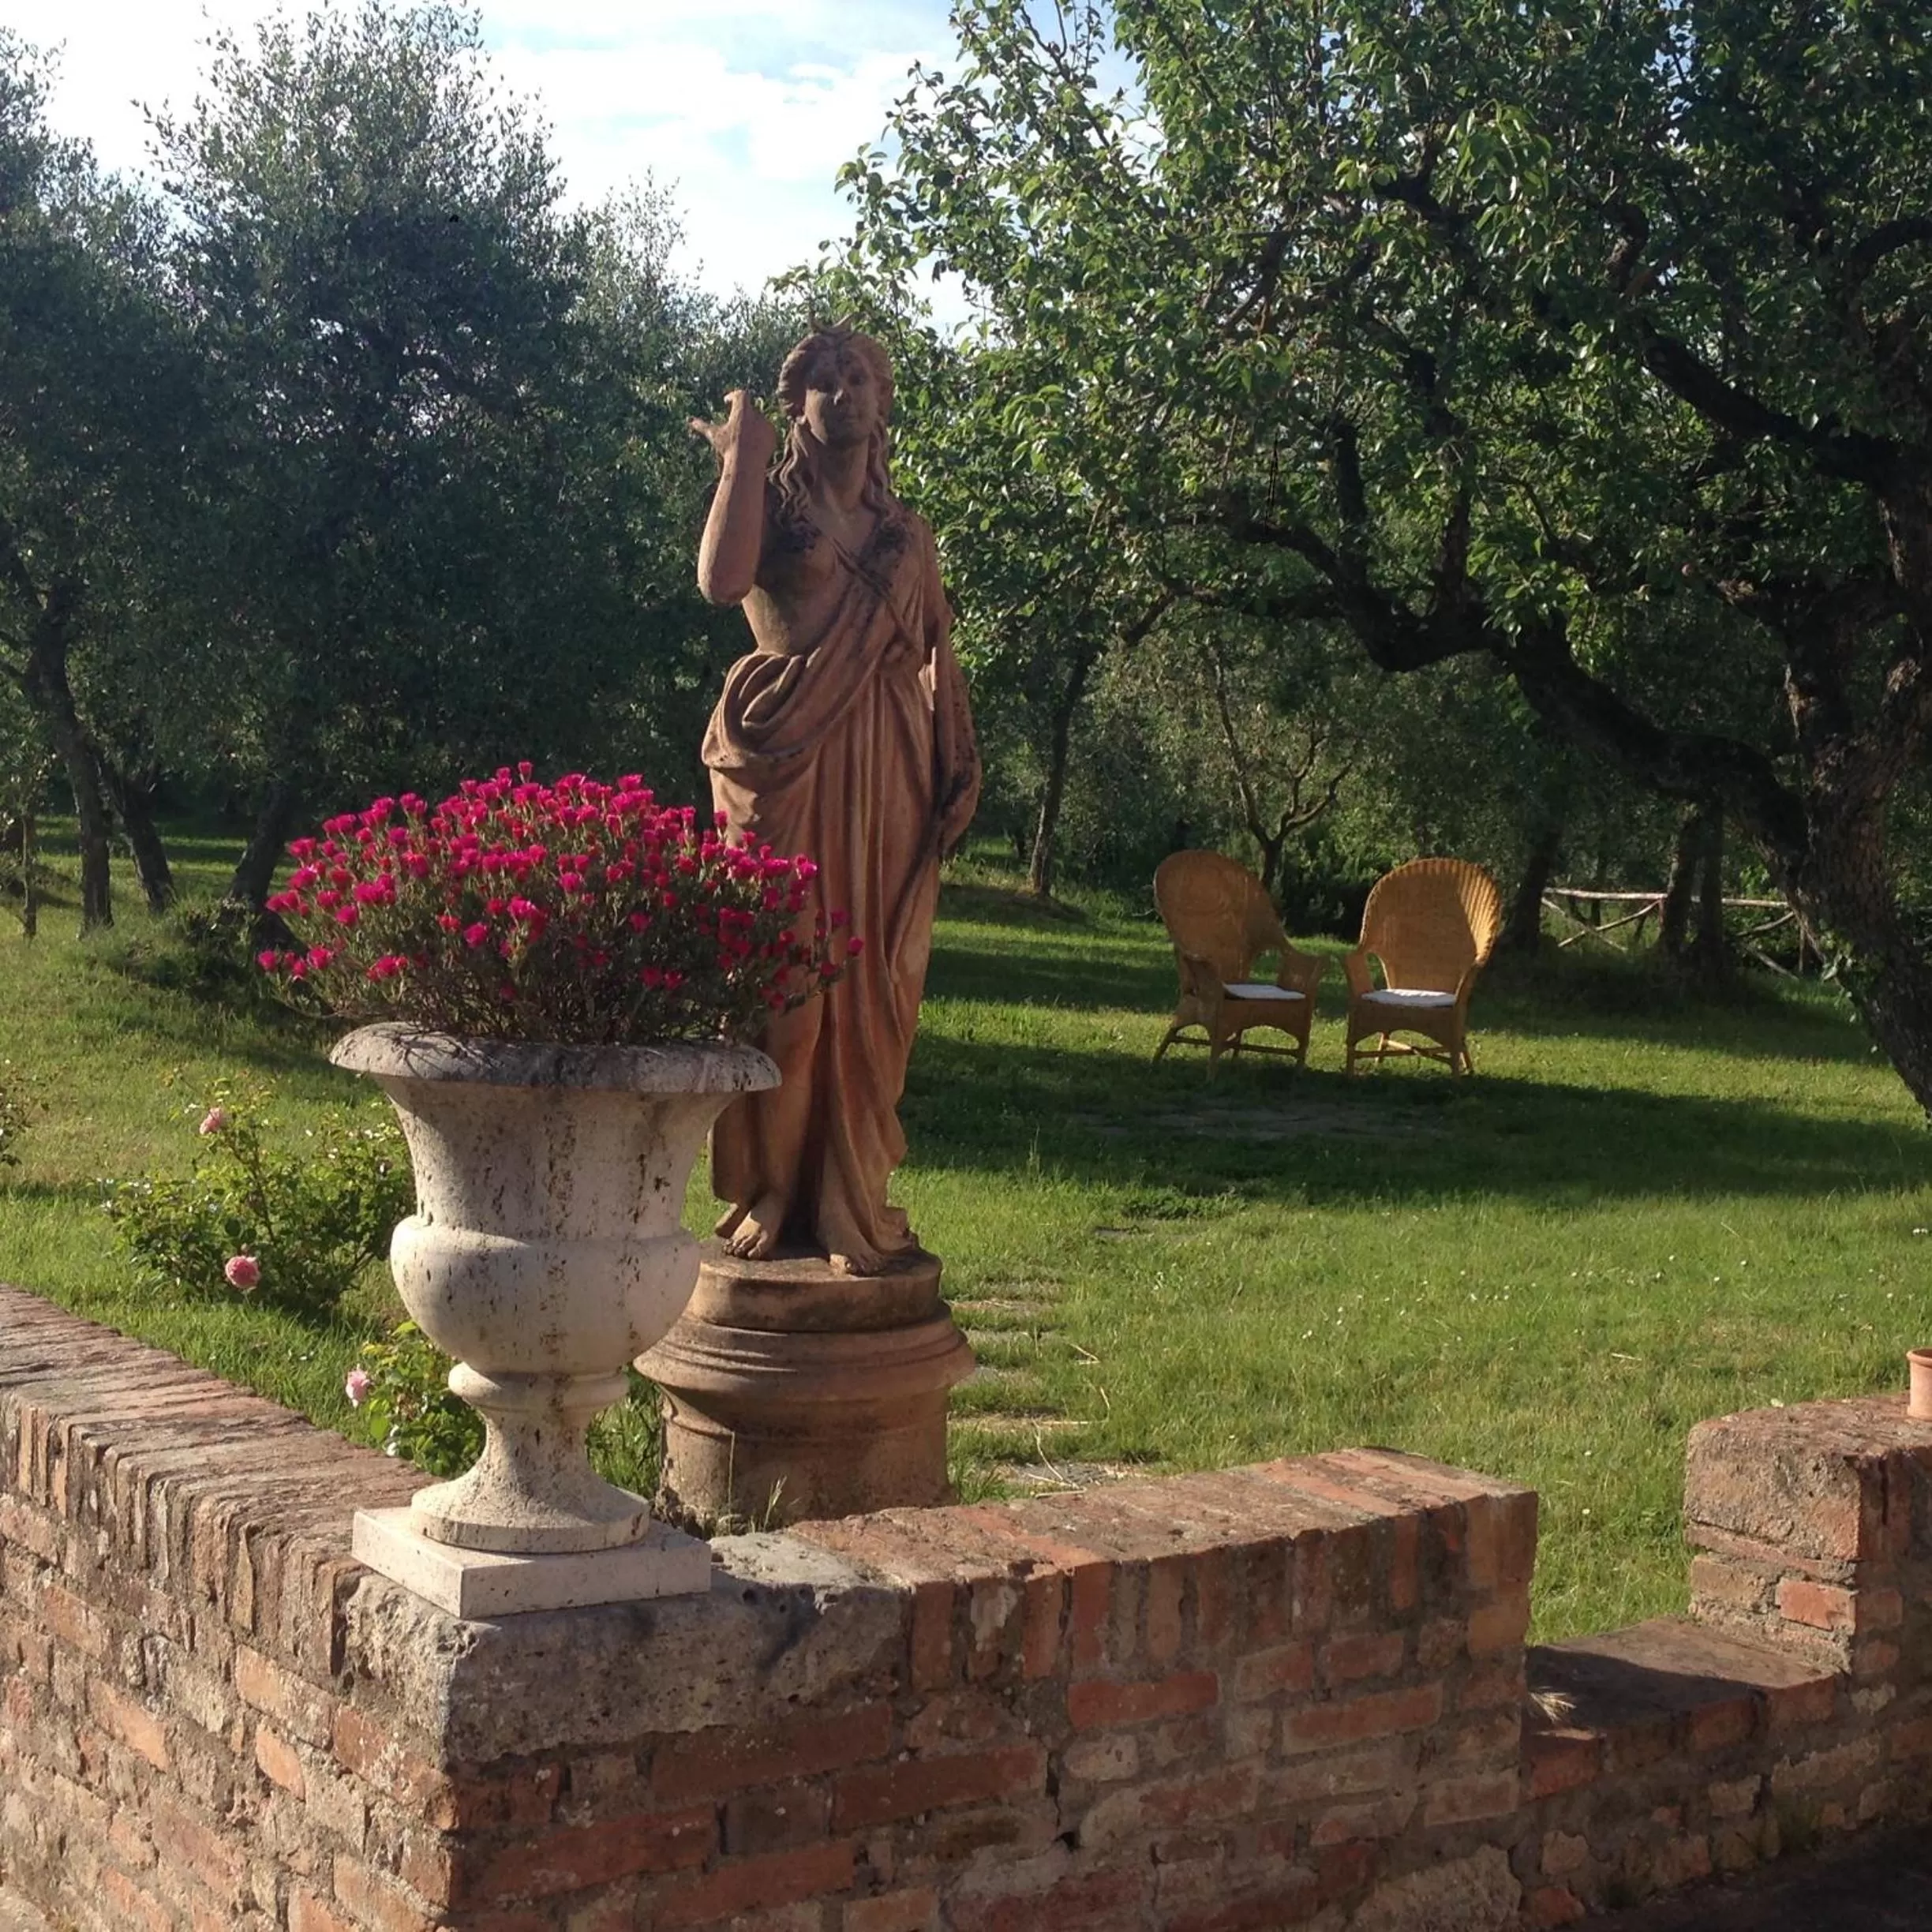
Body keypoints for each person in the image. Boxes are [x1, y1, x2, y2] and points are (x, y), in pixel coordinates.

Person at [690, 326, 979, 1275]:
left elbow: (937, 654)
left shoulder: (908, 537)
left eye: (858, 376)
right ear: (799, 405)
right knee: (783, 990)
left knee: (872, 989)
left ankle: (850, 1194)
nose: (842, 390)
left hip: (887, 758)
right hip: (784, 755)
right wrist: (744, 459)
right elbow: (722, 582)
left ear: (883, 403)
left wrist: (957, 752)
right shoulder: (777, 510)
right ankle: (772, 1189)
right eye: (821, 378)